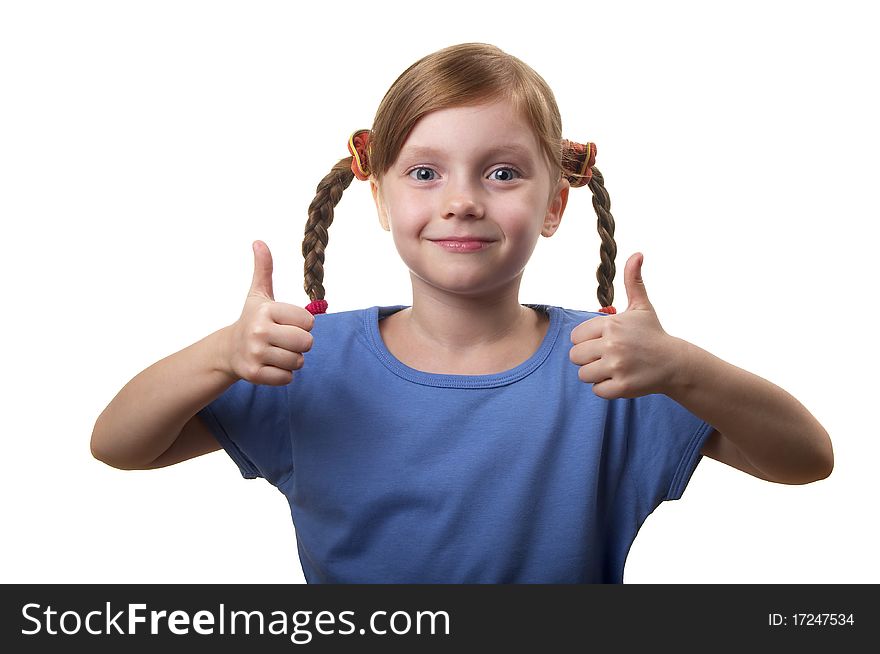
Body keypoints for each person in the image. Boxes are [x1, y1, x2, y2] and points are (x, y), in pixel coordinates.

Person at [91, 42, 833, 583]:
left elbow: (807, 460)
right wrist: (220, 353)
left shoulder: (616, 368)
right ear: (380, 196)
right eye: (424, 172)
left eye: (503, 172)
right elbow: (120, 444)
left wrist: (687, 369)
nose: (463, 199)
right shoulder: (308, 361)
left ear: (553, 204)